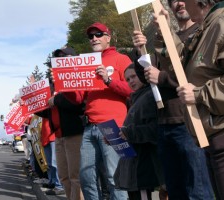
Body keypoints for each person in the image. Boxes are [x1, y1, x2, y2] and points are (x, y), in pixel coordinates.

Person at [132, 0, 214, 199]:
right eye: (173, 1)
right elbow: (147, 78)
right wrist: (139, 51)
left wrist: (162, 77)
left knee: (198, 191)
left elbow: (195, 77)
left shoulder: (201, 33)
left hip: (188, 123)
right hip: (165, 123)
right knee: (175, 190)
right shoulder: (165, 38)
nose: (179, 3)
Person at [172, 0, 224, 199]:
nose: (180, 2)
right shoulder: (208, 28)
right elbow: (181, 66)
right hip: (218, 137)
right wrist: (163, 33)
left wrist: (200, 94)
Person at [62, 22, 132, 200]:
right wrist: (66, 84)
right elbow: (78, 99)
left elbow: (133, 89)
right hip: (90, 127)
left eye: (98, 34)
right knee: (86, 179)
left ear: (108, 37)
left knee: (115, 177)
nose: (94, 38)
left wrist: (108, 80)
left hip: (114, 125)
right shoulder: (87, 63)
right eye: (91, 36)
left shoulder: (121, 59)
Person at [113, 64, 165, 200]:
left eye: (133, 76)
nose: (131, 81)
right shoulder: (136, 99)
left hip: (145, 164)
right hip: (135, 166)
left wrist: (129, 133)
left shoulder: (150, 96)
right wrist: (117, 136)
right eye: (127, 79)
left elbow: (155, 129)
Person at [47, 47, 85, 200]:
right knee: (63, 176)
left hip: (74, 133)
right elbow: (49, 109)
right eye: (57, 59)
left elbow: (79, 103)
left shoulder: (79, 76)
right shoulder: (55, 83)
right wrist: (30, 107)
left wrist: (56, 99)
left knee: (75, 176)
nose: (60, 61)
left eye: (63, 57)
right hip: (59, 134)